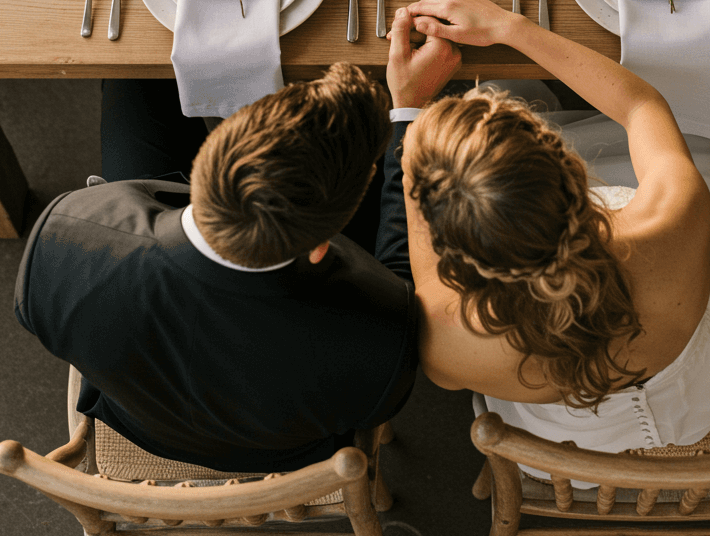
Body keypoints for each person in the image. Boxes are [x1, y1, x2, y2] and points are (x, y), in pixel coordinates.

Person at [387, 0, 710, 464]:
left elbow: (426, 272)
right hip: (696, 389)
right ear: (569, 167)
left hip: (565, 444)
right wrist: (509, 28)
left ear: (460, 248)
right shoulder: (670, 216)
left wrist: (408, 109)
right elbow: (641, 107)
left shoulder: (444, 339)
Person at [14, 52, 459, 476]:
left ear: (198, 169)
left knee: (130, 79)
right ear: (323, 247)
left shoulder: (60, 243)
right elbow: (401, 280)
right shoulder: (383, 340)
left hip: (141, 417)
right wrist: (407, 114)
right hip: (286, 446)